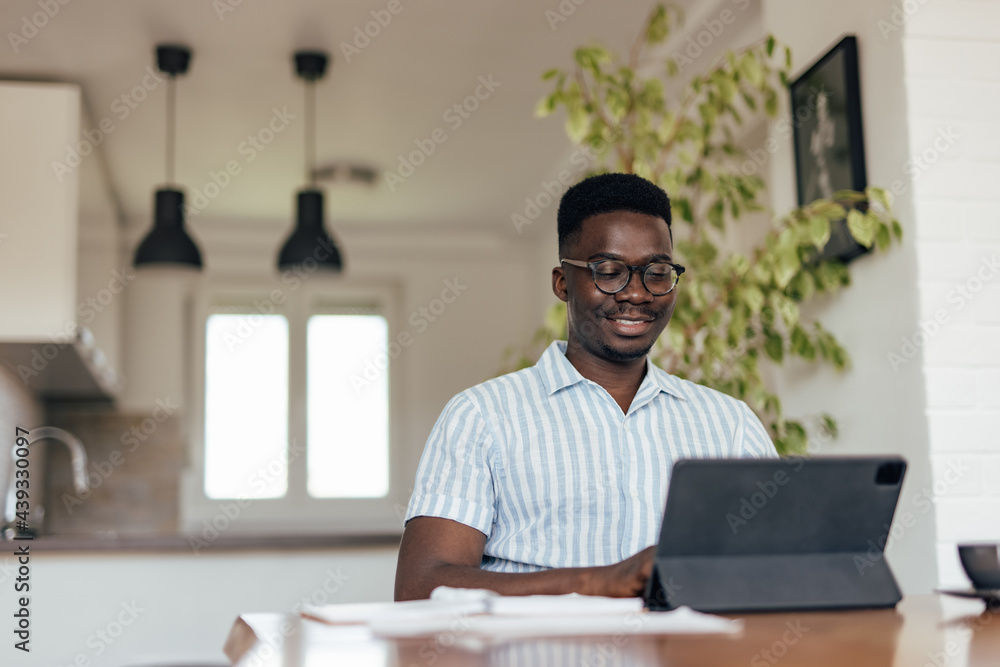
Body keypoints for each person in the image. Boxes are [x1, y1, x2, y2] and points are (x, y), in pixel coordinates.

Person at [394, 173, 777, 601]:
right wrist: (593, 582)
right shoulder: (481, 417)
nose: (636, 293)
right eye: (609, 272)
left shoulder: (730, 425)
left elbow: (782, 569)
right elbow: (420, 586)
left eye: (657, 272)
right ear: (562, 283)